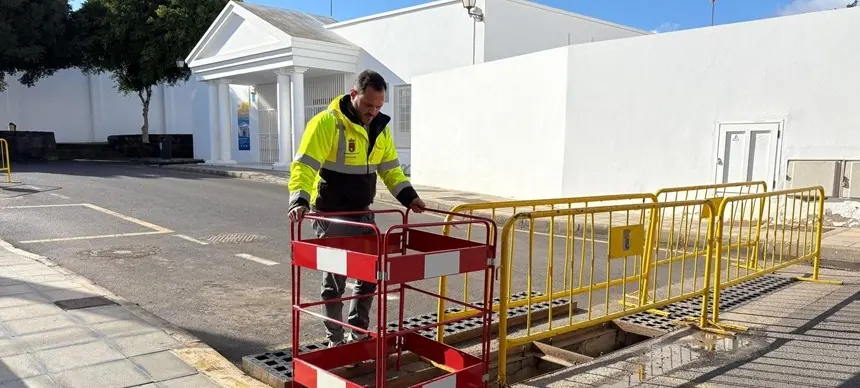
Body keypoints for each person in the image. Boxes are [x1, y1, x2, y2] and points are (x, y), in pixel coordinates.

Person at [288, 69, 426, 351]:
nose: (373, 112)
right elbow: (305, 165)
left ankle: (358, 333)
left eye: (378, 106)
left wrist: (410, 197)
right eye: (368, 105)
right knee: (335, 281)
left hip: (362, 213)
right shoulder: (328, 123)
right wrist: (299, 200)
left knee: (369, 275)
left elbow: (391, 171)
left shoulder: (380, 128)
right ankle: (336, 339)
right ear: (354, 95)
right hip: (331, 215)